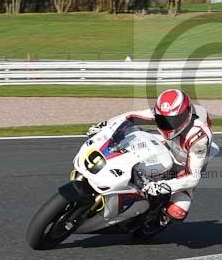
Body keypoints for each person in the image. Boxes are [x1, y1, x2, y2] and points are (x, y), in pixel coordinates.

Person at [87, 89, 214, 221]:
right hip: (164, 144)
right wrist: (106, 126)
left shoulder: (198, 138)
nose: (168, 124)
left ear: (186, 114)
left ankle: (156, 217)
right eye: (163, 119)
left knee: (177, 212)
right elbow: (130, 117)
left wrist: (163, 187)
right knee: (130, 139)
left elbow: (193, 177)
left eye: (174, 120)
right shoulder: (162, 113)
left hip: (184, 163)